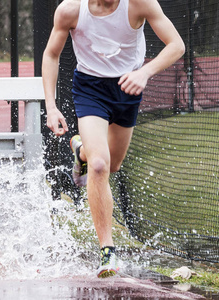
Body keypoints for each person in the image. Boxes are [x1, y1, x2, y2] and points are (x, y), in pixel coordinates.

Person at [42, 0, 184, 278]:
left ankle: (80, 150)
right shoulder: (70, 10)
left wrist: (144, 72)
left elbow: (176, 45)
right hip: (90, 89)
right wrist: (51, 105)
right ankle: (108, 252)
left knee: (113, 164)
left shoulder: (139, 4)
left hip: (127, 87)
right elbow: (51, 54)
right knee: (98, 166)